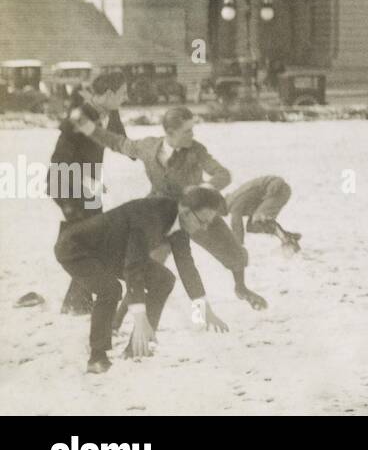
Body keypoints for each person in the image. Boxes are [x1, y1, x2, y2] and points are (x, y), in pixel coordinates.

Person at [75, 105, 267, 309]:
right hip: (159, 217)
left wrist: (202, 189)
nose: (192, 135)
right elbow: (118, 142)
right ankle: (116, 320)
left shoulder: (196, 150)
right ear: (170, 133)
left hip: (197, 212)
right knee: (143, 268)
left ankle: (241, 288)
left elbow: (223, 174)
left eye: (192, 129)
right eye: (187, 131)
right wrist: (89, 129)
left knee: (234, 254)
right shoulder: (148, 147)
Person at [54, 186, 226, 374]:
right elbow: (133, 267)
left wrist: (203, 309)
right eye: (203, 222)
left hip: (112, 251)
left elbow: (186, 265)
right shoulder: (150, 217)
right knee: (110, 290)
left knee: (164, 280)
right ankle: (97, 357)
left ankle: (138, 347)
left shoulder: (179, 221)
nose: (205, 228)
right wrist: (140, 317)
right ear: (186, 212)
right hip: (76, 248)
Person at [48, 73, 127, 315]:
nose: (125, 98)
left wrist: (152, 152)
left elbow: (121, 142)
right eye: (122, 93)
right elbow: (61, 159)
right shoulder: (79, 116)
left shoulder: (111, 112)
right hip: (66, 181)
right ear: (109, 94)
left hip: (89, 183)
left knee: (93, 237)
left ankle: (76, 301)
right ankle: (76, 302)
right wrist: (75, 193)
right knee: (84, 239)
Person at [226, 175, 301, 252]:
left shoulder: (234, 204)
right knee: (252, 226)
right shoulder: (234, 199)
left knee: (259, 219)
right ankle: (288, 236)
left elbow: (236, 225)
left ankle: (288, 241)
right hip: (274, 189)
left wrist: (238, 247)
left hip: (278, 189)